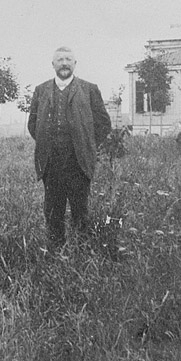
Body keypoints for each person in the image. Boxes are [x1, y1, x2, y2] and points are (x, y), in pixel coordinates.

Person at [27, 46, 111, 251]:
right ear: (53, 64)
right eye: (60, 60)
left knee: (80, 210)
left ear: (75, 64)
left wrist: (86, 145)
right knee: (53, 210)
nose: (64, 63)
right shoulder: (41, 90)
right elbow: (33, 124)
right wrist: (48, 144)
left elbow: (103, 124)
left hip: (78, 163)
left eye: (68, 59)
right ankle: (55, 252)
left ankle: (82, 251)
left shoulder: (89, 89)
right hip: (51, 163)